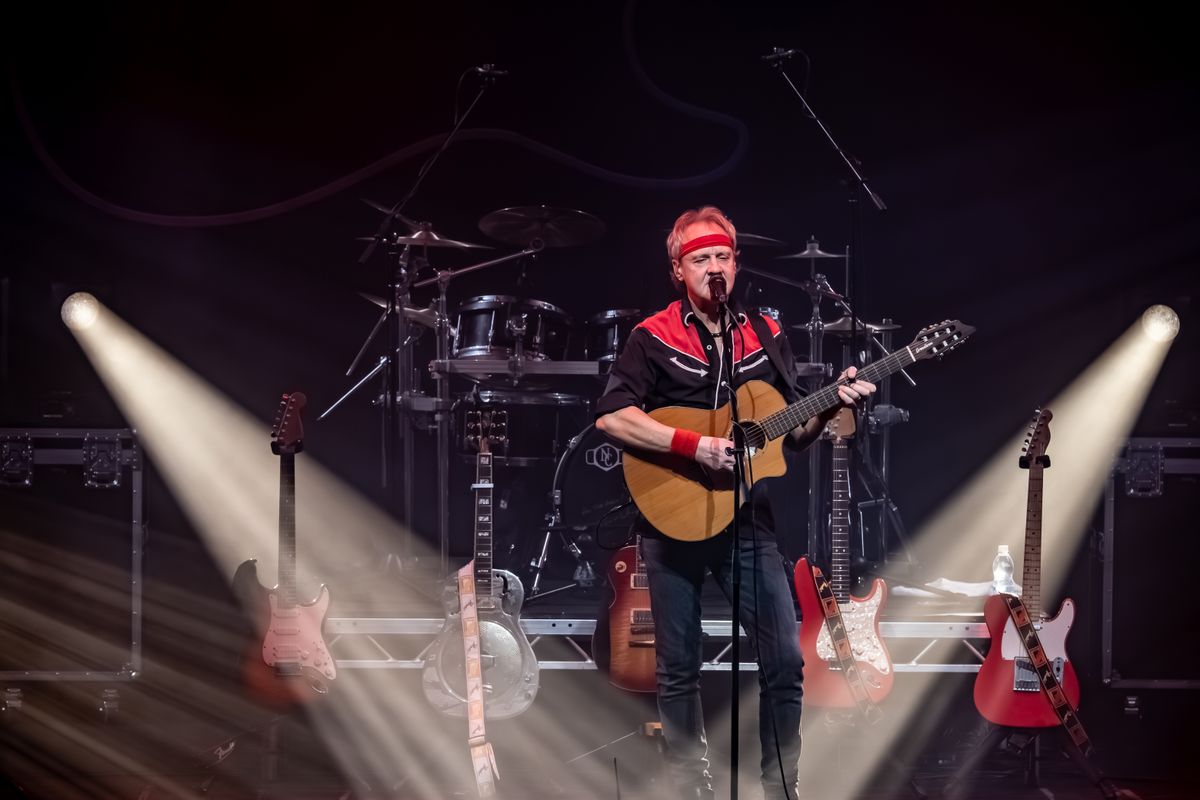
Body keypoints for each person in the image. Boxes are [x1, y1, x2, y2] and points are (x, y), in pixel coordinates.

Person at [594, 206, 876, 800]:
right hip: (669, 521)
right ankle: (690, 789)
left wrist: (829, 404)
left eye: (723, 256)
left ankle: (781, 788)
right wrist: (694, 445)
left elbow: (790, 434)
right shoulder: (654, 337)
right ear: (679, 269)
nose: (714, 267)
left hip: (748, 518)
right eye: (701, 259)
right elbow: (612, 417)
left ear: (736, 263)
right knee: (677, 670)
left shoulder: (765, 336)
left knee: (784, 661)